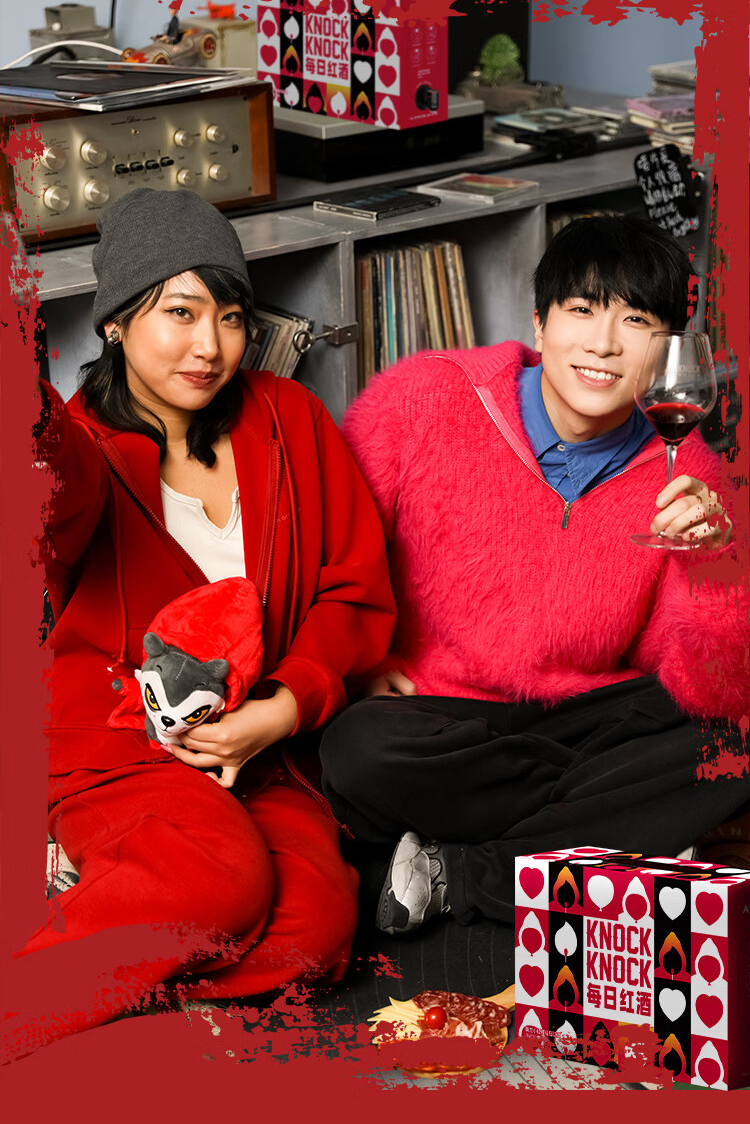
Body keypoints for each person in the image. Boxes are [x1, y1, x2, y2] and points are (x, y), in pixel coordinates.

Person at [6, 188, 395, 1061]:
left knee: (317, 930)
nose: (210, 345)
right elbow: (54, 484)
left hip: (259, 751)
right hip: (118, 754)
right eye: (179, 313)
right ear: (115, 322)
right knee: (222, 881)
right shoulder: (81, 448)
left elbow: (352, 591)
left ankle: (107, 943)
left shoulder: (289, 418)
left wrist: (282, 709)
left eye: (229, 316)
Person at [319, 215, 749, 936]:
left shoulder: (691, 475)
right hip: (437, 713)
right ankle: (608, 834)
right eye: (581, 310)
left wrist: (713, 561)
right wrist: (362, 660)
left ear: (666, 349)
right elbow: (327, 549)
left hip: (584, 717)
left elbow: (704, 682)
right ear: (540, 324)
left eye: (636, 321)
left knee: (730, 745)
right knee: (355, 753)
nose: (604, 344)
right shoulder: (422, 400)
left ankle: (465, 873)